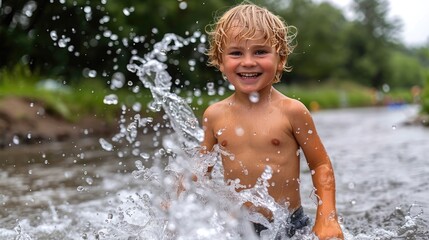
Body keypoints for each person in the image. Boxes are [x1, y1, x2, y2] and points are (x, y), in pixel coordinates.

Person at [201, 2, 344, 239]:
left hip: (288, 224)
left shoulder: (292, 111)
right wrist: (177, 206)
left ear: (280, 59)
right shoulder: (214, 115)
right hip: (237, 227)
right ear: (220, 60)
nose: (248, 62)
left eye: (260, 52)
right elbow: (199, 171)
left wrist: (327, 218)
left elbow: (320, 165)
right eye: (236, 53)